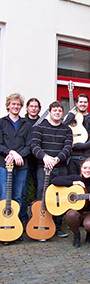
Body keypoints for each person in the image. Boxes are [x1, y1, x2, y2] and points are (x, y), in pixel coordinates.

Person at [31, 101, 73, 238]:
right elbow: (34, 146)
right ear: (49, 112)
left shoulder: (67, 130)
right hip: (44, 168)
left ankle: (57, 226)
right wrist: (45, 157)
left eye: (60, 111)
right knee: (42, 196)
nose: (57, 113)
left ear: (62, 113)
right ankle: (42, 223)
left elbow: (67, 148)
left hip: (60, 168)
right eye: (54, 110)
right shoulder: (39, 127)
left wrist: (56, 159)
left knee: (59, 197)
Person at [51, 158, 90, 248]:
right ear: (81, 168)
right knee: (70, 215)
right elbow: (55, 180)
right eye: (85, 168)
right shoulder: (75, 178)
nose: (87, 170)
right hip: (76, 211)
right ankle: (76, 235)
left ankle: (89, 233)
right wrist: (73, 183)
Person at [0, 93, 32, 226]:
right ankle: (4, 225)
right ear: (8, 106)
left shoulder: (26, 124)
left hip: (21, 166)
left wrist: (19, 155)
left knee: (18, 197)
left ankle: (15, 226)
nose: (16, 106)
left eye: (18, 104)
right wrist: (12, 152)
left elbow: (29, 145)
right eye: (13, 104)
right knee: (4, 197)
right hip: (3, 164)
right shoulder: (1, 122)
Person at [63, 93, 90, 175]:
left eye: (85, 102)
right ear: (76, 103)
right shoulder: (70, 117)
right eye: (81, 102)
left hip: (86, 159)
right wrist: (70, 116)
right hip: (71, 158)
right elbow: (61, 130)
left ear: (88, 104)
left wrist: (82, 145)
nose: (83, 104)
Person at [19, 98, 41, 225]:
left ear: (39, 108)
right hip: (26, 160)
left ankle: (38, 218)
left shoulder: (42, 121)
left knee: (40, 190)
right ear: (27, 108)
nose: (33, 108)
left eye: (36, 106)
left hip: (38, 160)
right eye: (31, 106)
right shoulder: (22, 122)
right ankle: (23, 218)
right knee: (23, 191)